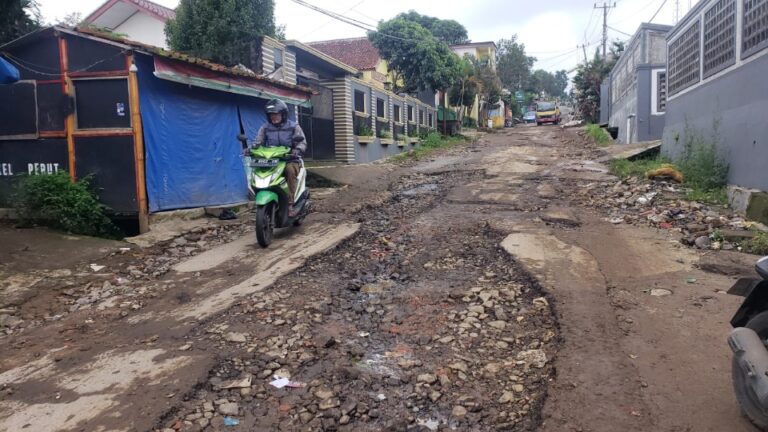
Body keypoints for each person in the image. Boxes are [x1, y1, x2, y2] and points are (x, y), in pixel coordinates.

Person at [246, 99, 307, 217]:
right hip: (272, 160)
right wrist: (250, 149)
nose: (273, 117)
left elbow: (302, 142)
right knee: (258, 171)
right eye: (271, 115)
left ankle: (290, 203)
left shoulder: (294, 126)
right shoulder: (265, 127)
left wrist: (297, 150)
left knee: (289, 170)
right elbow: (258, 142)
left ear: (283, 114)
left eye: (276, 114)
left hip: (290, 159)